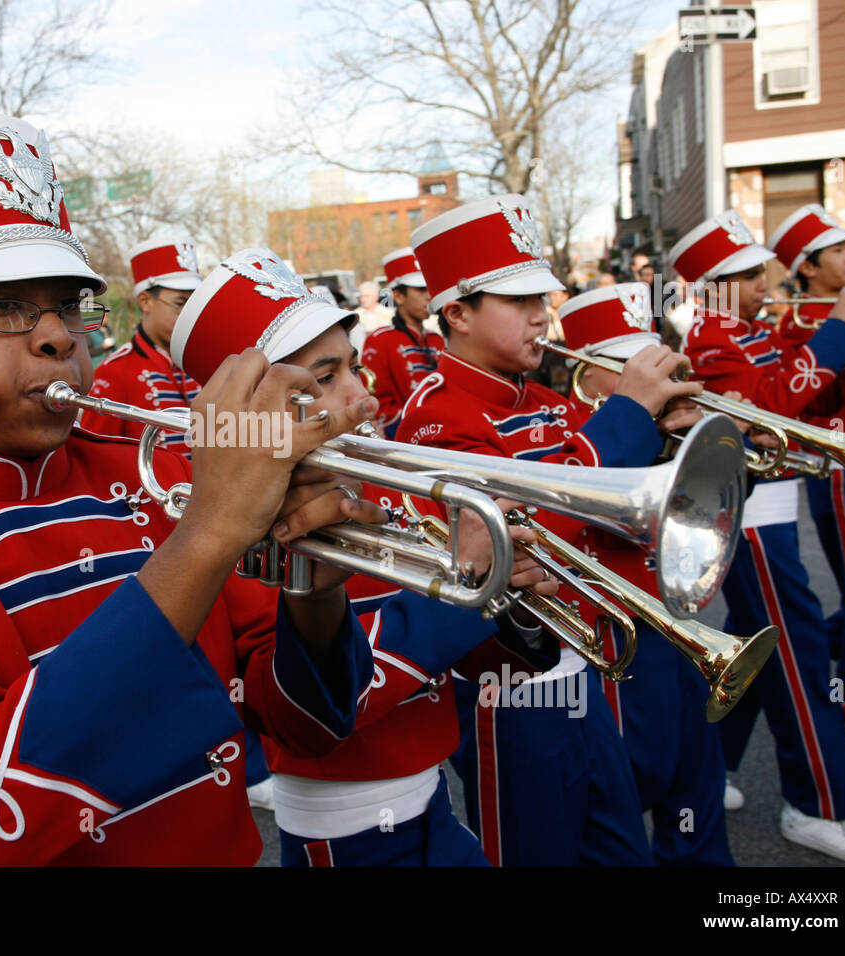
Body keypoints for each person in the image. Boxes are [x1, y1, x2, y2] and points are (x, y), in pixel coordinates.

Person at [0, 111, 380, 865]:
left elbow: (307, 728)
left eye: (72, 304)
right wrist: (207, 535)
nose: (62, 335)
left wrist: (314, 591)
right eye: (4, 305)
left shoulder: (156, 470)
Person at [172, 246, 563, 866]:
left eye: (353, 368)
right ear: (256, 410)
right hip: (347, 834)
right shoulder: (240, 533)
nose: (364, 398)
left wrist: (507, 599)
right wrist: (460, 584)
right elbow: (315, 716)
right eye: (325, 379)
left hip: (434, 804)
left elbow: (477, 669)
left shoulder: (376, 483)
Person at [401, 194, 699, 866]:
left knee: (622, 851)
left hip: (581, 665)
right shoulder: (434, 419)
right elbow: (520, 525)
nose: (544, 315)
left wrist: (663, 437)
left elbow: (603, 506)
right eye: (521, 300)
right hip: (507, 688)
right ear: (456, 313)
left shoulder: (543, 400)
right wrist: (626, 415)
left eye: (546, 298)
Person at [675, 208, 845, 864]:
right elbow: (764, 408)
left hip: (775, 500)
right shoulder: (712, 335)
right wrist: (839, 329)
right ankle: (817, 804)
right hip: (749, 510)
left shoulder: (750, 327)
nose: (765, 281)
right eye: (746, 274)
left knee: (757, 643)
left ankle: (711, 768)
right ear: (713, 283)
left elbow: (808, 403)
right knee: (797, 656)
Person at [556, 283, 733, 865]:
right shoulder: (574, 439)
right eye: (636, 367)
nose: (660, 377)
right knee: (631, 788)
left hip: (684, 619)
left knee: (698, 786)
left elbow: (718, 514)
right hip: (618, 638)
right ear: (588, 380)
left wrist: (698, 442)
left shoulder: (665, 427)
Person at [767, 205, 845, 750]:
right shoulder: (798, 322)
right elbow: (815, 389)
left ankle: (815, 647)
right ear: (808, 267)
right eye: (838, 252)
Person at [77, 235, 203, 457]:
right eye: (181, 304)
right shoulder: (115, 371)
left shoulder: (205, 363)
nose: (191, 315)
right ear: (145, 301)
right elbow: (93, 456)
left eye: (195, 303)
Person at [360, 248, 442, 437]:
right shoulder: (380, 341)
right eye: (421, 290)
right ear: (398, 296)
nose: (429, 296)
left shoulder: (436, 339)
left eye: (429, 288)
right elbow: (376, 405)